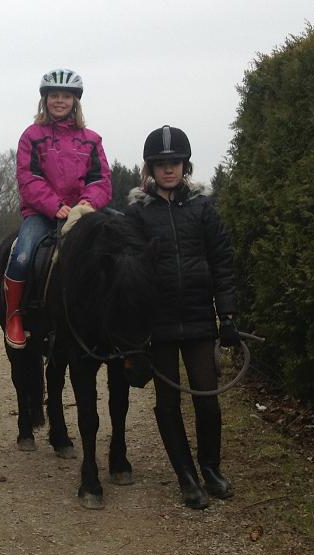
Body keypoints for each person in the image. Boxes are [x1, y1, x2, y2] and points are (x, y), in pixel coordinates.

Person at [126, 125, 239, 509]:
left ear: (184, 166)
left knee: (207, 399)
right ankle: (185, 476)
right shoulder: (137, 214)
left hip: (198, 320)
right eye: (161, 164)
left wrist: (227, 314)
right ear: (151, 168)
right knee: (168, 402)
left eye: (174, 163)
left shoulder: (203, 209)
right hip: (158, 325)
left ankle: (210, 467)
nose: (168, 170)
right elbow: (131, 275)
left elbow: (222, 262)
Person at [5, 68, 112, 348]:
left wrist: (88, 203)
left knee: (121, 244)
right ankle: (14, 314)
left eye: (66, 96)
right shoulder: (32, 136)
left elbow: (101, 179)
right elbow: (28, 178)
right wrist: (56, 207)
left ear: (75, 101)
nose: (60, 101)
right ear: (45, 100)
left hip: (84, 212)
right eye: (54, 96)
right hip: (42, 214)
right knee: (23, 255)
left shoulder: (92, 139)